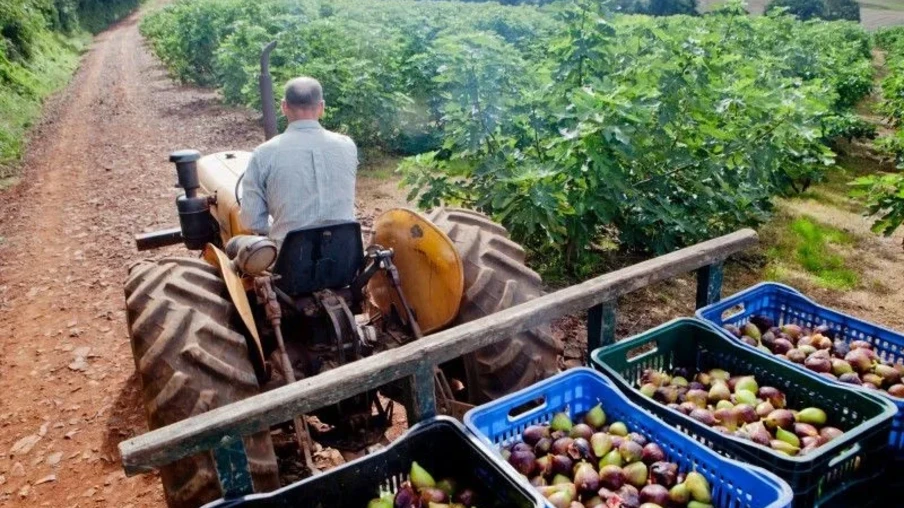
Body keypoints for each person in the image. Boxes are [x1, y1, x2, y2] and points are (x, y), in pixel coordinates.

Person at [239, 77, 358, 246]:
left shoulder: (263, 153)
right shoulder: (347, 146)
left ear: (284, 106)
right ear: (322, 107)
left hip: (291, 262)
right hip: (346, 256)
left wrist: (281, 226)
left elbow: (251, 222)